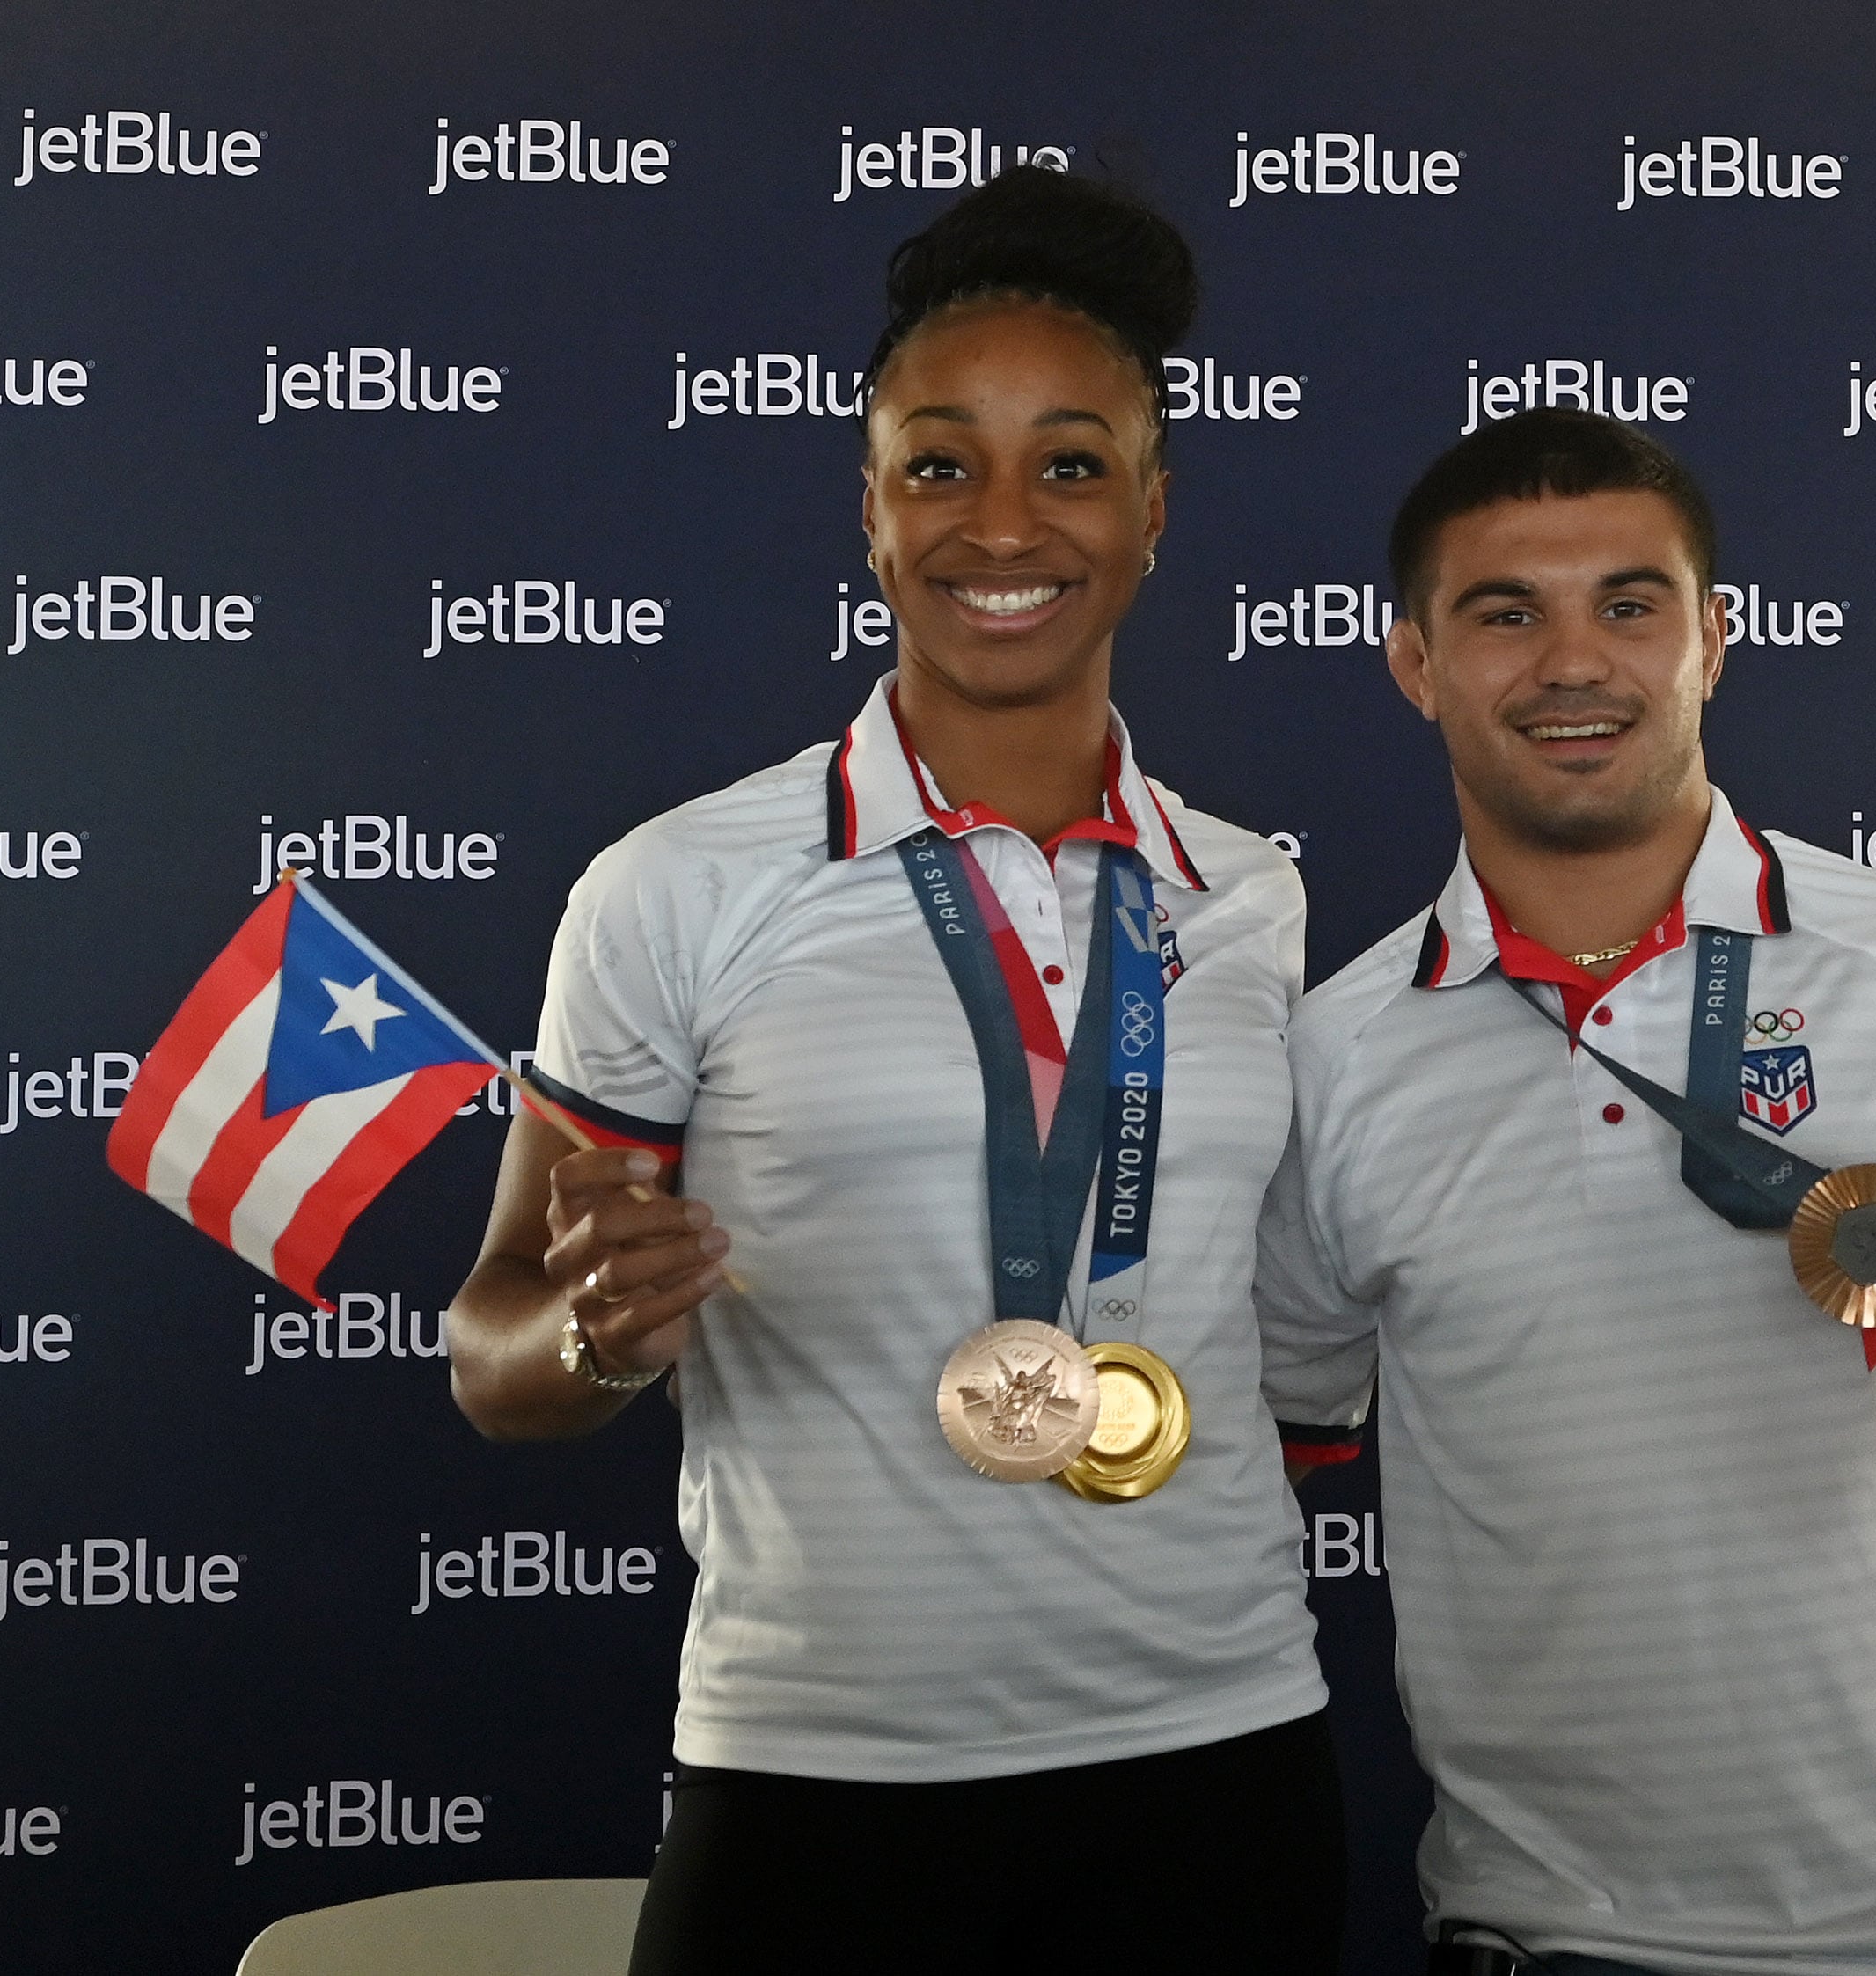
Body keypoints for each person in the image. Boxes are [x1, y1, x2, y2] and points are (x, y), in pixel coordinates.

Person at [447, 169, 1342, 1972]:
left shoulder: (1250, 892)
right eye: (941, 462)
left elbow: (1292, 1338)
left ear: (1154, 513)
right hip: (811, 1771)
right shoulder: (674, 885)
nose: (1002, 521)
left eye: (1071, 462)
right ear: (868, 507)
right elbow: (495, 1347)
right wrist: (603, 1335)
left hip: (1214, 1745)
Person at [1258, 408, 1876, 1976]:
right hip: (1553, 1938)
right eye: (1506, 612)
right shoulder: (1336, 1052)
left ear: (1713, 640)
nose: (1574, 660)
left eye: (1630, 604)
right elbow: (1266, 1446)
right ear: (1416, 663)